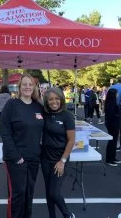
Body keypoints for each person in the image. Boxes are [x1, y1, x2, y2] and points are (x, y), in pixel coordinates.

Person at [0, 74, 44, 218]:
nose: (28, 87)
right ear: (19, 87)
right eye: (24, 84)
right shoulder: (12, 105)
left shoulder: (38, 106)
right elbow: (4, 131)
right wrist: (16, 156)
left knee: (29, 193)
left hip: (33, 158)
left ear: (34, 87)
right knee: (18, 195)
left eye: (30, 84)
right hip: (16, 159)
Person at [41, 87, 76, 218]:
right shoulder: (44, 114)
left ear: (61, 99)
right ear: (46, 101)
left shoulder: (67, 116)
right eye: (50, 99)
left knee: (54, 192)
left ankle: (68, 215)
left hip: (60, 159)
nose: (54, 102)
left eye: (56, 98)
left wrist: (62, 161)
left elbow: (71, 140)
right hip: (45, 158)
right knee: (48, 192)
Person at [104, 88, 121, 166]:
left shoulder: (110, 103)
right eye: (116, 93)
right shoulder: (111, 104)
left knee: (113, 141)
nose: (118, 95)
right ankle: (109, 159)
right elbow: (112, 115)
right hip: (113, 124)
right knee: (112, 141)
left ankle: (113, 157)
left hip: (112, 123)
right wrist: (120, 114)